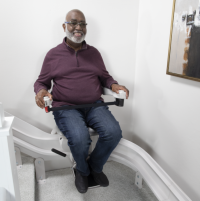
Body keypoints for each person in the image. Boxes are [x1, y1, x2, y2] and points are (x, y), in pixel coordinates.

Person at [34, 9, 129, 193]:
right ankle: (82, 171)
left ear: (86, 28)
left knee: (113, 132)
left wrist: (114, 85)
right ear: (65, 26)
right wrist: (41, 91)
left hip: (94, 105)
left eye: (82, 24)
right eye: (73, 23)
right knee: (79, 138)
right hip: (65, 107)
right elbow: (41, 82)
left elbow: (105, 77)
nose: (78, 27)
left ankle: (95, 167)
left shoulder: (94, 53)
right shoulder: (53, 55)